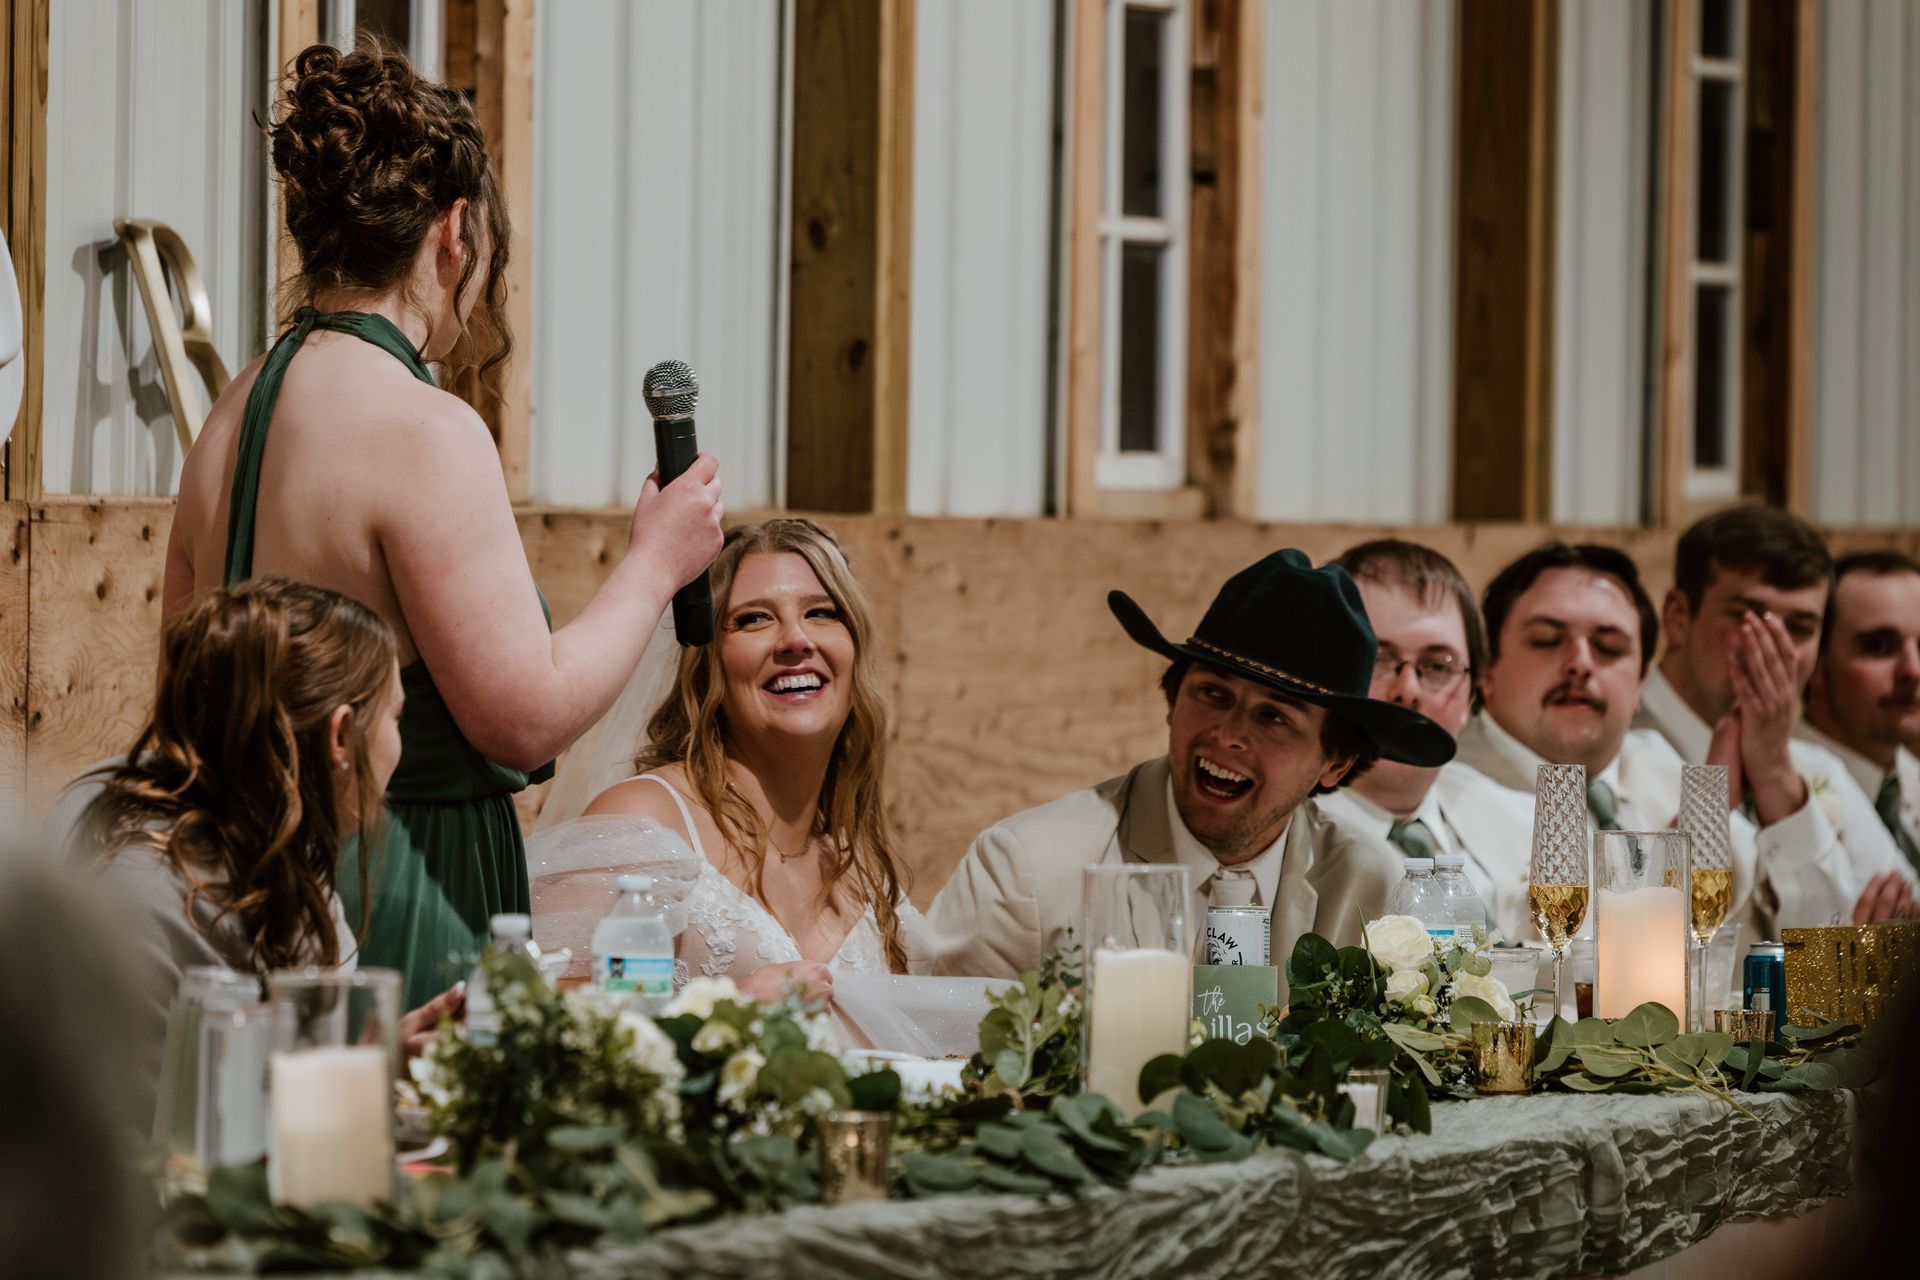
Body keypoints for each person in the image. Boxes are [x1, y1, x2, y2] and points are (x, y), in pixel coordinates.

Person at [161, 42, 724, 1006]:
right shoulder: (422, 426)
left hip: (252, 875)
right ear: (454, 233)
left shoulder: (228, 417)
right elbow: (521, 711)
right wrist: (656, 563)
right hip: (400, 880)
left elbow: (178, 682)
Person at [929, 549, 1456, 1003]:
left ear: (1334, 763)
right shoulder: (1026, 873)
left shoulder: (1369, 885)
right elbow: (935, 1061)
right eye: (1212, 694)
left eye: (1274, 718)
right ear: (1171, 702)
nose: (1228, 735)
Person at [70, 578, 458, 1130]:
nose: (401, 744)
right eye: (396, 718)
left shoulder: (281, 842)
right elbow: (159, 1137)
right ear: (341, 736)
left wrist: (382, 1061)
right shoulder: (145, 893)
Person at [573, 519, 930, 1008]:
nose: (795, 640)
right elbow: (551, 1025)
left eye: (822, 613)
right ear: (706, 663)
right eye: (754, 619)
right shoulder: (643, 826)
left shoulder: (860, 866)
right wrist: (729, 1011)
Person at [1455, 542, 1863, 935]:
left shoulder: (1662, 768)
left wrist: (1772, 772)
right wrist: (1701, 817)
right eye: (1547, 639)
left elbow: (1826, 932)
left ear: (1640, 682)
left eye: (1609, 647)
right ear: (1486, 668)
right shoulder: (1446, 794)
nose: (1579, 663)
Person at [1634, 507, 1916, 916]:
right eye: (1749, 618)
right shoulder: (1610, 754)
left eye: (1800, 627)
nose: (1776, 646)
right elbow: (1618, 940)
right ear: (1678, 617)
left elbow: (1901, 922)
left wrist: (1777, 781)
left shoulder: (1813, 768)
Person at [1316, 540, 1537, 941]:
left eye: (1438, 666)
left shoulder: (1527, 824)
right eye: (1377, 659)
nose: (1408, 689)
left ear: (1473, 693)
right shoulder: (1285, 846)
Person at [1801, 552, 1920, 871]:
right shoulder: (1772, 789)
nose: (1913, 670)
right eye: (1880, 647)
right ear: (1815, 663)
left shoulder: (1909, 778)